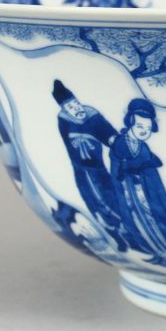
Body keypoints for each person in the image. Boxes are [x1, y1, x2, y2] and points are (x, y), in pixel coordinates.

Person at [109, 98, 166, 264]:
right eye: (140, 126)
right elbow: (116, 172)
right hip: (130, 193)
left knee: (161, 216)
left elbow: (152, 172)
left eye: (148, 128)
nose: (144, 132)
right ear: (130, 122)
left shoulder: (143, 147)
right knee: (141, 221)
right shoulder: (119, 144)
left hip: (148, 192)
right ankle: (157, 252)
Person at [52, 79, 127, 252]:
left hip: (99, 169)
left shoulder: (92, 115)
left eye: (75, 103)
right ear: (64, 109)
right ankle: (116, 236)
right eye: (70, 107)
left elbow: (107, 133)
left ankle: (127, 233)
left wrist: (116, 142)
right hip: (81, 171)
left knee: (112, 199)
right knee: (95, 203)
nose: (76, 108)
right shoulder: (64, 121)